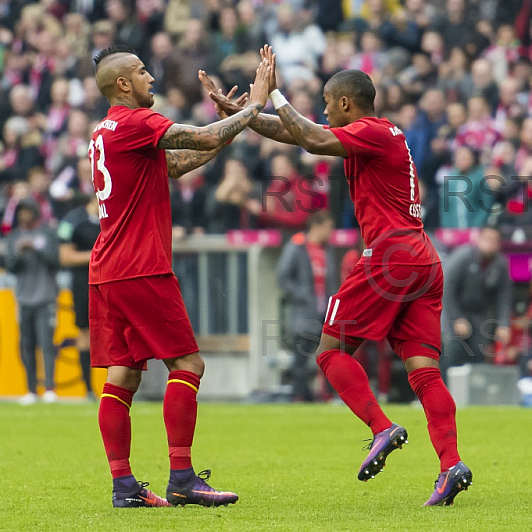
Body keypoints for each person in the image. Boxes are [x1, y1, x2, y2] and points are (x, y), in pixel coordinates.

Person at [201, 46, 471, 506]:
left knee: (329, 352)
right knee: (424, 369)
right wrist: (246, 113)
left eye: (327, 102)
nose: (324, 110)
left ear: (346, 103)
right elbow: (298, 135)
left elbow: (310, 139)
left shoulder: (368, 131)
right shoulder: (378, 133)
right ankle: (451, 466)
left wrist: (274, 93)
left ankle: (382, 428)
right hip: (422, 257)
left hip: (390, 255)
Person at [88, 44, 270, 508]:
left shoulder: (104, 131)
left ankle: (124, 487)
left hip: (108, 268)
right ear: (123, 84)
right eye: (143, 71)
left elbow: (175, 164)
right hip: (141, 266)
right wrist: (252, 107)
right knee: (188, 365)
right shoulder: (137, 122)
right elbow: (203, 139)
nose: (152, 77)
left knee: (123, 376)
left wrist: (228, 129)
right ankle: (183, 477)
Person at [276, 210, 338, 402]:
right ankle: (300, 396)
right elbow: (283, 278)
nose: (331, 233)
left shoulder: (327, 250)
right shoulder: (296, 247)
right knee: (301, 357)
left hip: (325, 313)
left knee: (329, 355)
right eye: (328, 228)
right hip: (303, 313)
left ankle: (327, 395)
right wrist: (302, 296)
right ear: (317, 226)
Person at [5, 200, 60, 405]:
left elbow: (56, 262)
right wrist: (20, 253)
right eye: (22, 212)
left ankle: (49, 387)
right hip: (24, 297)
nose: (24, 216)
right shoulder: (14, 237)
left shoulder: (47, 234)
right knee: (27, 345)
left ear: (35, 213)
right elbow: (10, 265)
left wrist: (36, 249)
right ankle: (30, 389)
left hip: (46, 296)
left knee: (46, 344)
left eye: (28, 211)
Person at [443, 224, 512, 369]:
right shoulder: (463, 256)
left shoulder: (500, 264)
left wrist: (504, 324)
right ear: (479, 239)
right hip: (455, 313)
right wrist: (456, 318)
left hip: (480, 317)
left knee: (479, 361)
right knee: (453, 357)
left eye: (494, 241)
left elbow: (503, 297)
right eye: (487, 239)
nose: (489, 244)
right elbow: (446, 288)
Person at [57, 195, 101, 400]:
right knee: (85, 333)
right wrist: (98, 256)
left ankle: (123, 388)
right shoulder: (73, 220)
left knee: (122, 332)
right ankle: (89, 389)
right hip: (84, 282)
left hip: (114, 281)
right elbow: (65, 256)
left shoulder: (118, 215)